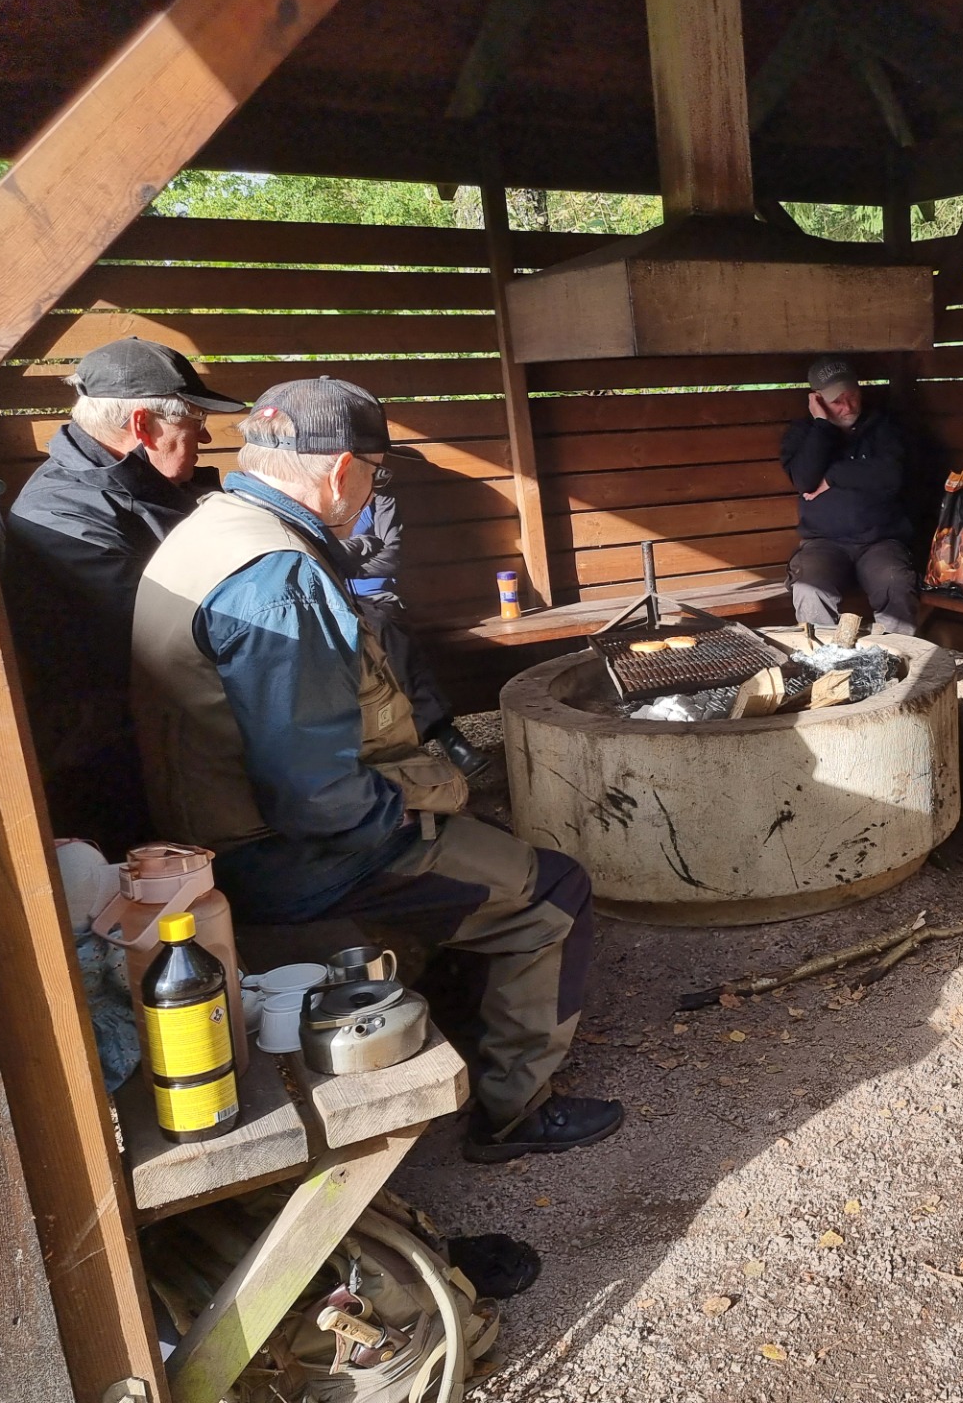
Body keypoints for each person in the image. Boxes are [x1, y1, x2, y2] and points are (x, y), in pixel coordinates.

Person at [130, 377, 623, 1164]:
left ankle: (467, 1016)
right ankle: (515, 1111)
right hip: (281, 859)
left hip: (208, 833)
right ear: (339, 471)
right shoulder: (281, 581)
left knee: (474, 835)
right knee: (553, 892)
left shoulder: (213, 527)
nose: (371, 492)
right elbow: (317, 801)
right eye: (374, 473)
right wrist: (418, 808)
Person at [4, 337, 245, 854]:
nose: (205, 436)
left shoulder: (152, 484)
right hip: (119, 759)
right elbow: (158, 636)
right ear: (143, 425)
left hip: (169, 725)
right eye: (195, 420)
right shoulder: (60, 517)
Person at [341, 482, 490, 777]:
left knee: (385, 632)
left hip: (377, 600)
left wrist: (340, 560)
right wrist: (364, 548)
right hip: (335, 601)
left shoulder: (381, 499)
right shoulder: (311, 500)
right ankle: (446, 736)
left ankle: (432, 742)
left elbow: (390, 559)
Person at [780, 356, 920, 635]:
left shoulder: (883, 427)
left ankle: (897, 657)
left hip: (880, 541)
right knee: (809, 589)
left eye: (852, 396)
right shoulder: (803, 434)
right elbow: (805, 481)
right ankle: (822, 659)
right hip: (823, 544)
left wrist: (832, 477)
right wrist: (822, 426)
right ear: (817, 399)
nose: (848, 406)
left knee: (896, 582)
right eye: (837, 401)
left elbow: (891, 475)